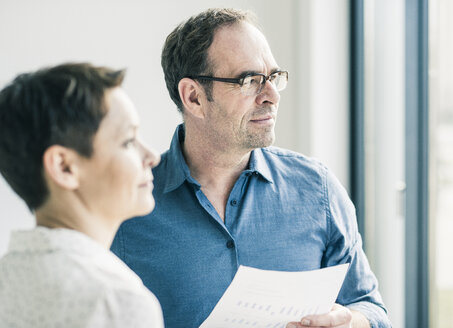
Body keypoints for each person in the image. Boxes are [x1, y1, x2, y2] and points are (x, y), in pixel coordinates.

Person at [111, 8, 391, 328]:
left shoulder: (318, 190)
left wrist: (350, 322)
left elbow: (370, 308)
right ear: (194, 97)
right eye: (249, 80)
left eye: (273, 77)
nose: (271, 95)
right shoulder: (124, 209)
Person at [0, 63, 164, 327]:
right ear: (64, 167)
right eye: (128, 141)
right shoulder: (116, 300)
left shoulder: (6, 279)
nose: (152, 156)